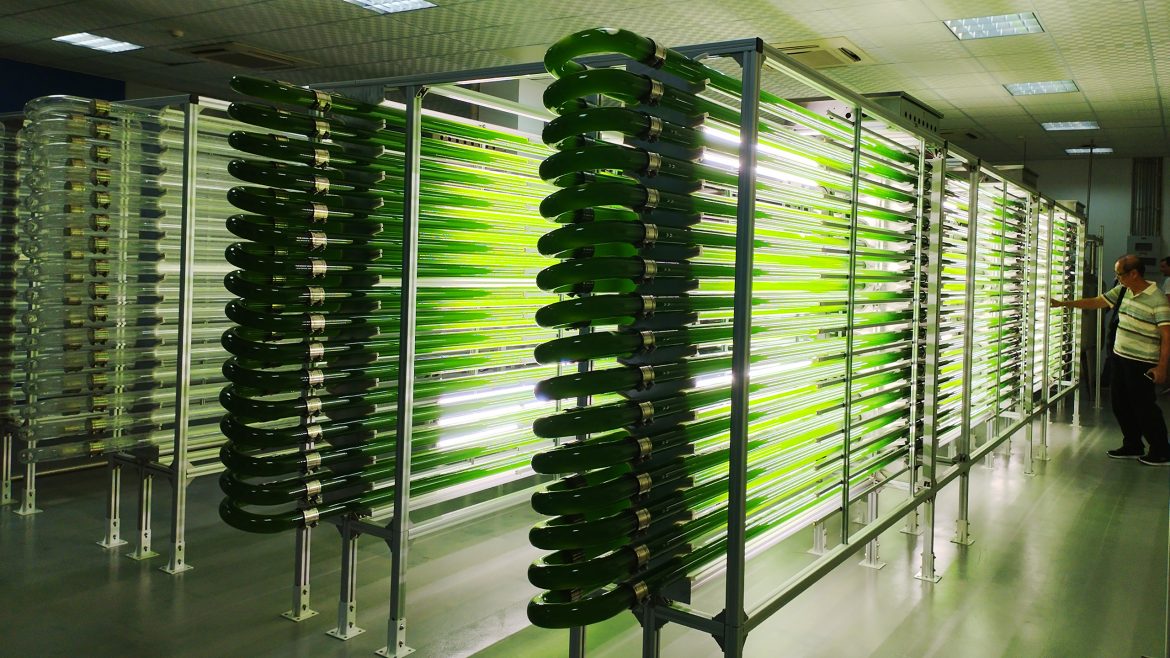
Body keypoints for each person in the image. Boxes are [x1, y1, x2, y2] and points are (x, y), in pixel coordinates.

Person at [1053, 254, 1170, 465]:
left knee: (1144, 406)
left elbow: (1167, 336)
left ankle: (1161, 451)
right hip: (1120, 357)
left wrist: (1162, 367)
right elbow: (1097, 301)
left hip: (1142, 362)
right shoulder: (1123, 290)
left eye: (1119, 274)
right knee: (1120, 403)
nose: (1117, 277)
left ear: (1134, 274)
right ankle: (1133, 444)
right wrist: (1064, 303)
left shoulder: (1158, 300)